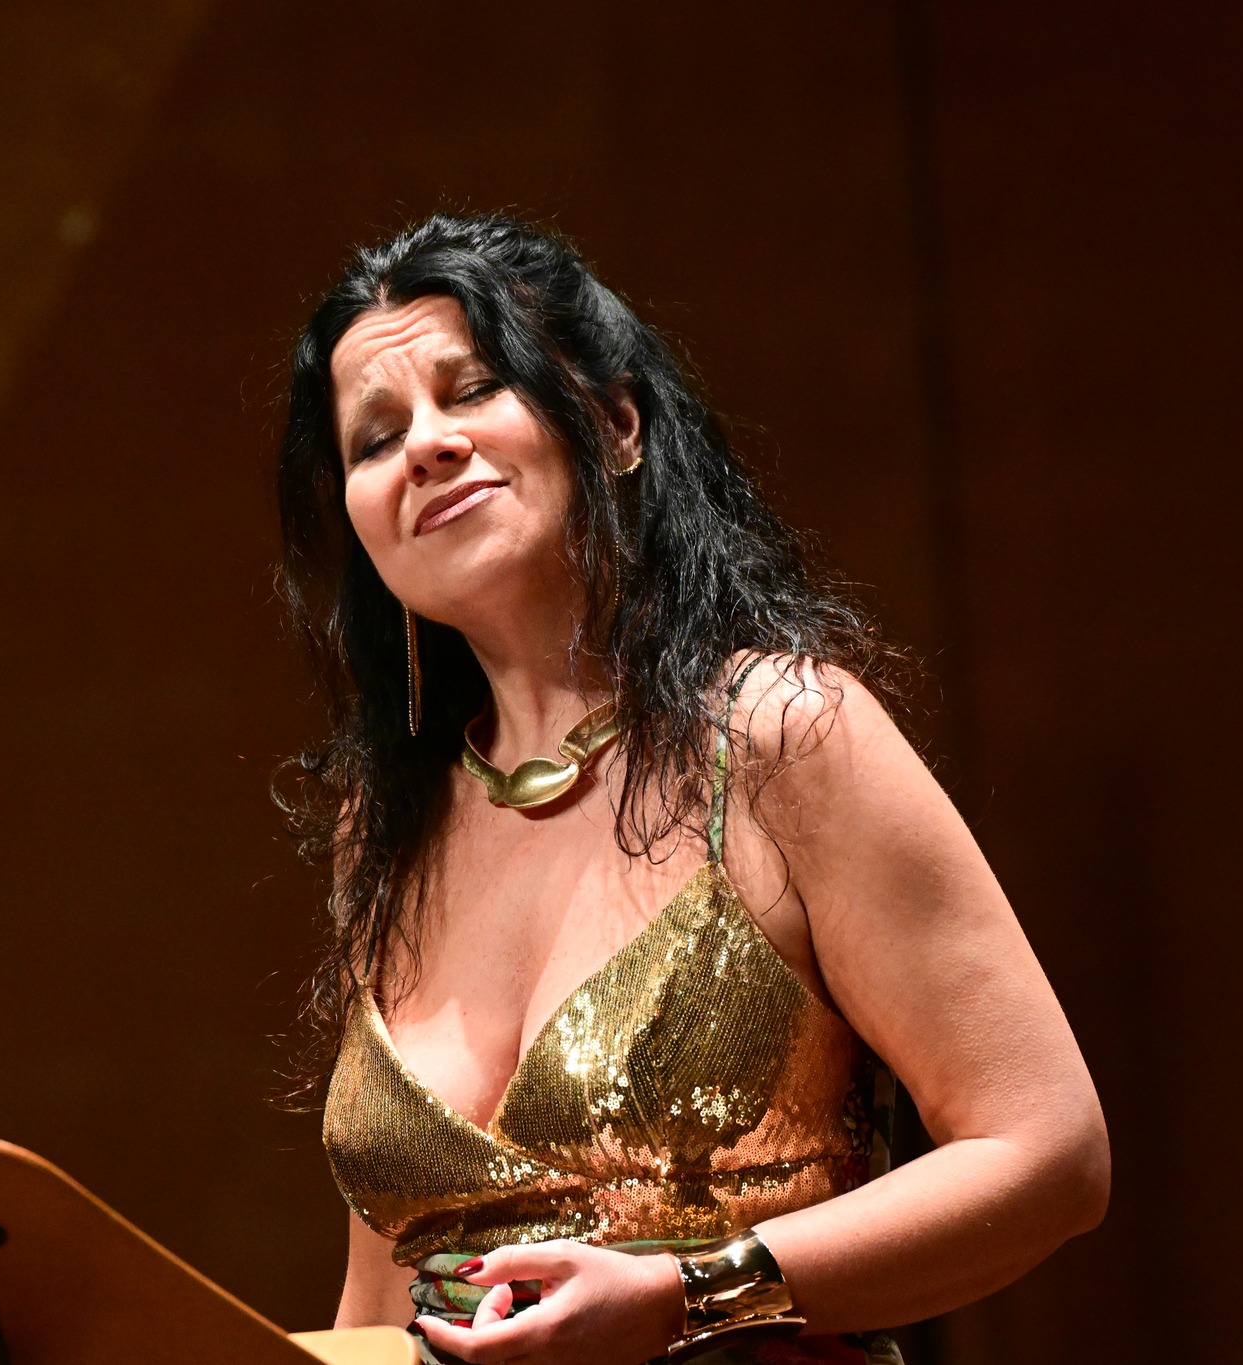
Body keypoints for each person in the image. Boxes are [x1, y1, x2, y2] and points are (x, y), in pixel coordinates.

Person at [274, 214, 1108, 1365]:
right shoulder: (386, 827)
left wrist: (689, 1294)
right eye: (373, 440)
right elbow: (379, 1287)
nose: (424, 445)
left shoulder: (778, 733)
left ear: (616, 424)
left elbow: (1048, 1152)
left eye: (473, 389)